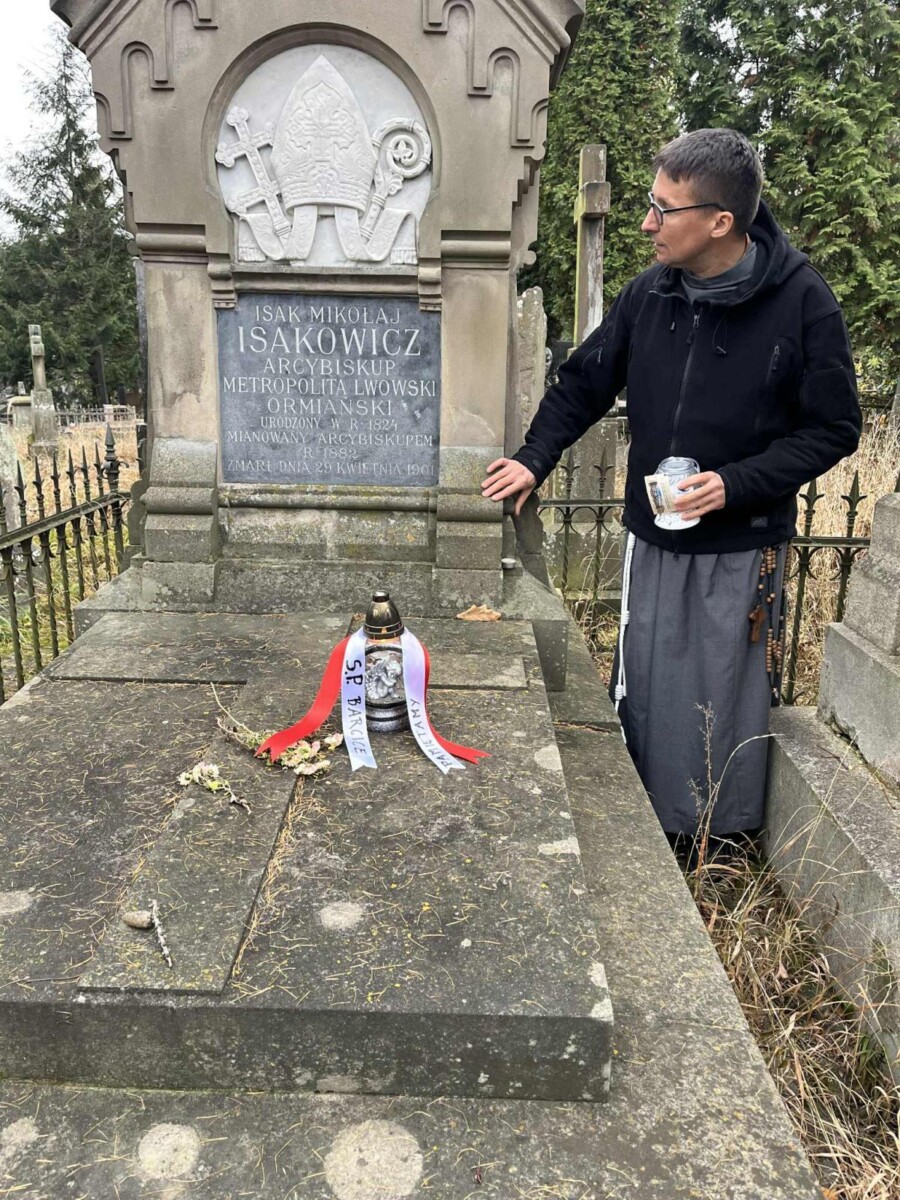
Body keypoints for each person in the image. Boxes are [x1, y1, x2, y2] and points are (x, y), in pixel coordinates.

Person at [482, 128, 861, 841]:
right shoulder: (649, 293)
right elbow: (583, 384)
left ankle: (716, 838)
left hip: (740, 540)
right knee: (650, 683)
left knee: (719, 695)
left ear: (720, 221)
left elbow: (834, 428)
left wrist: (734, 484)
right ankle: (643, 827)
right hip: (653, 534)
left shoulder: (803, 303)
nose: (646, 223)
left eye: (663, 208)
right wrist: (535, 458)